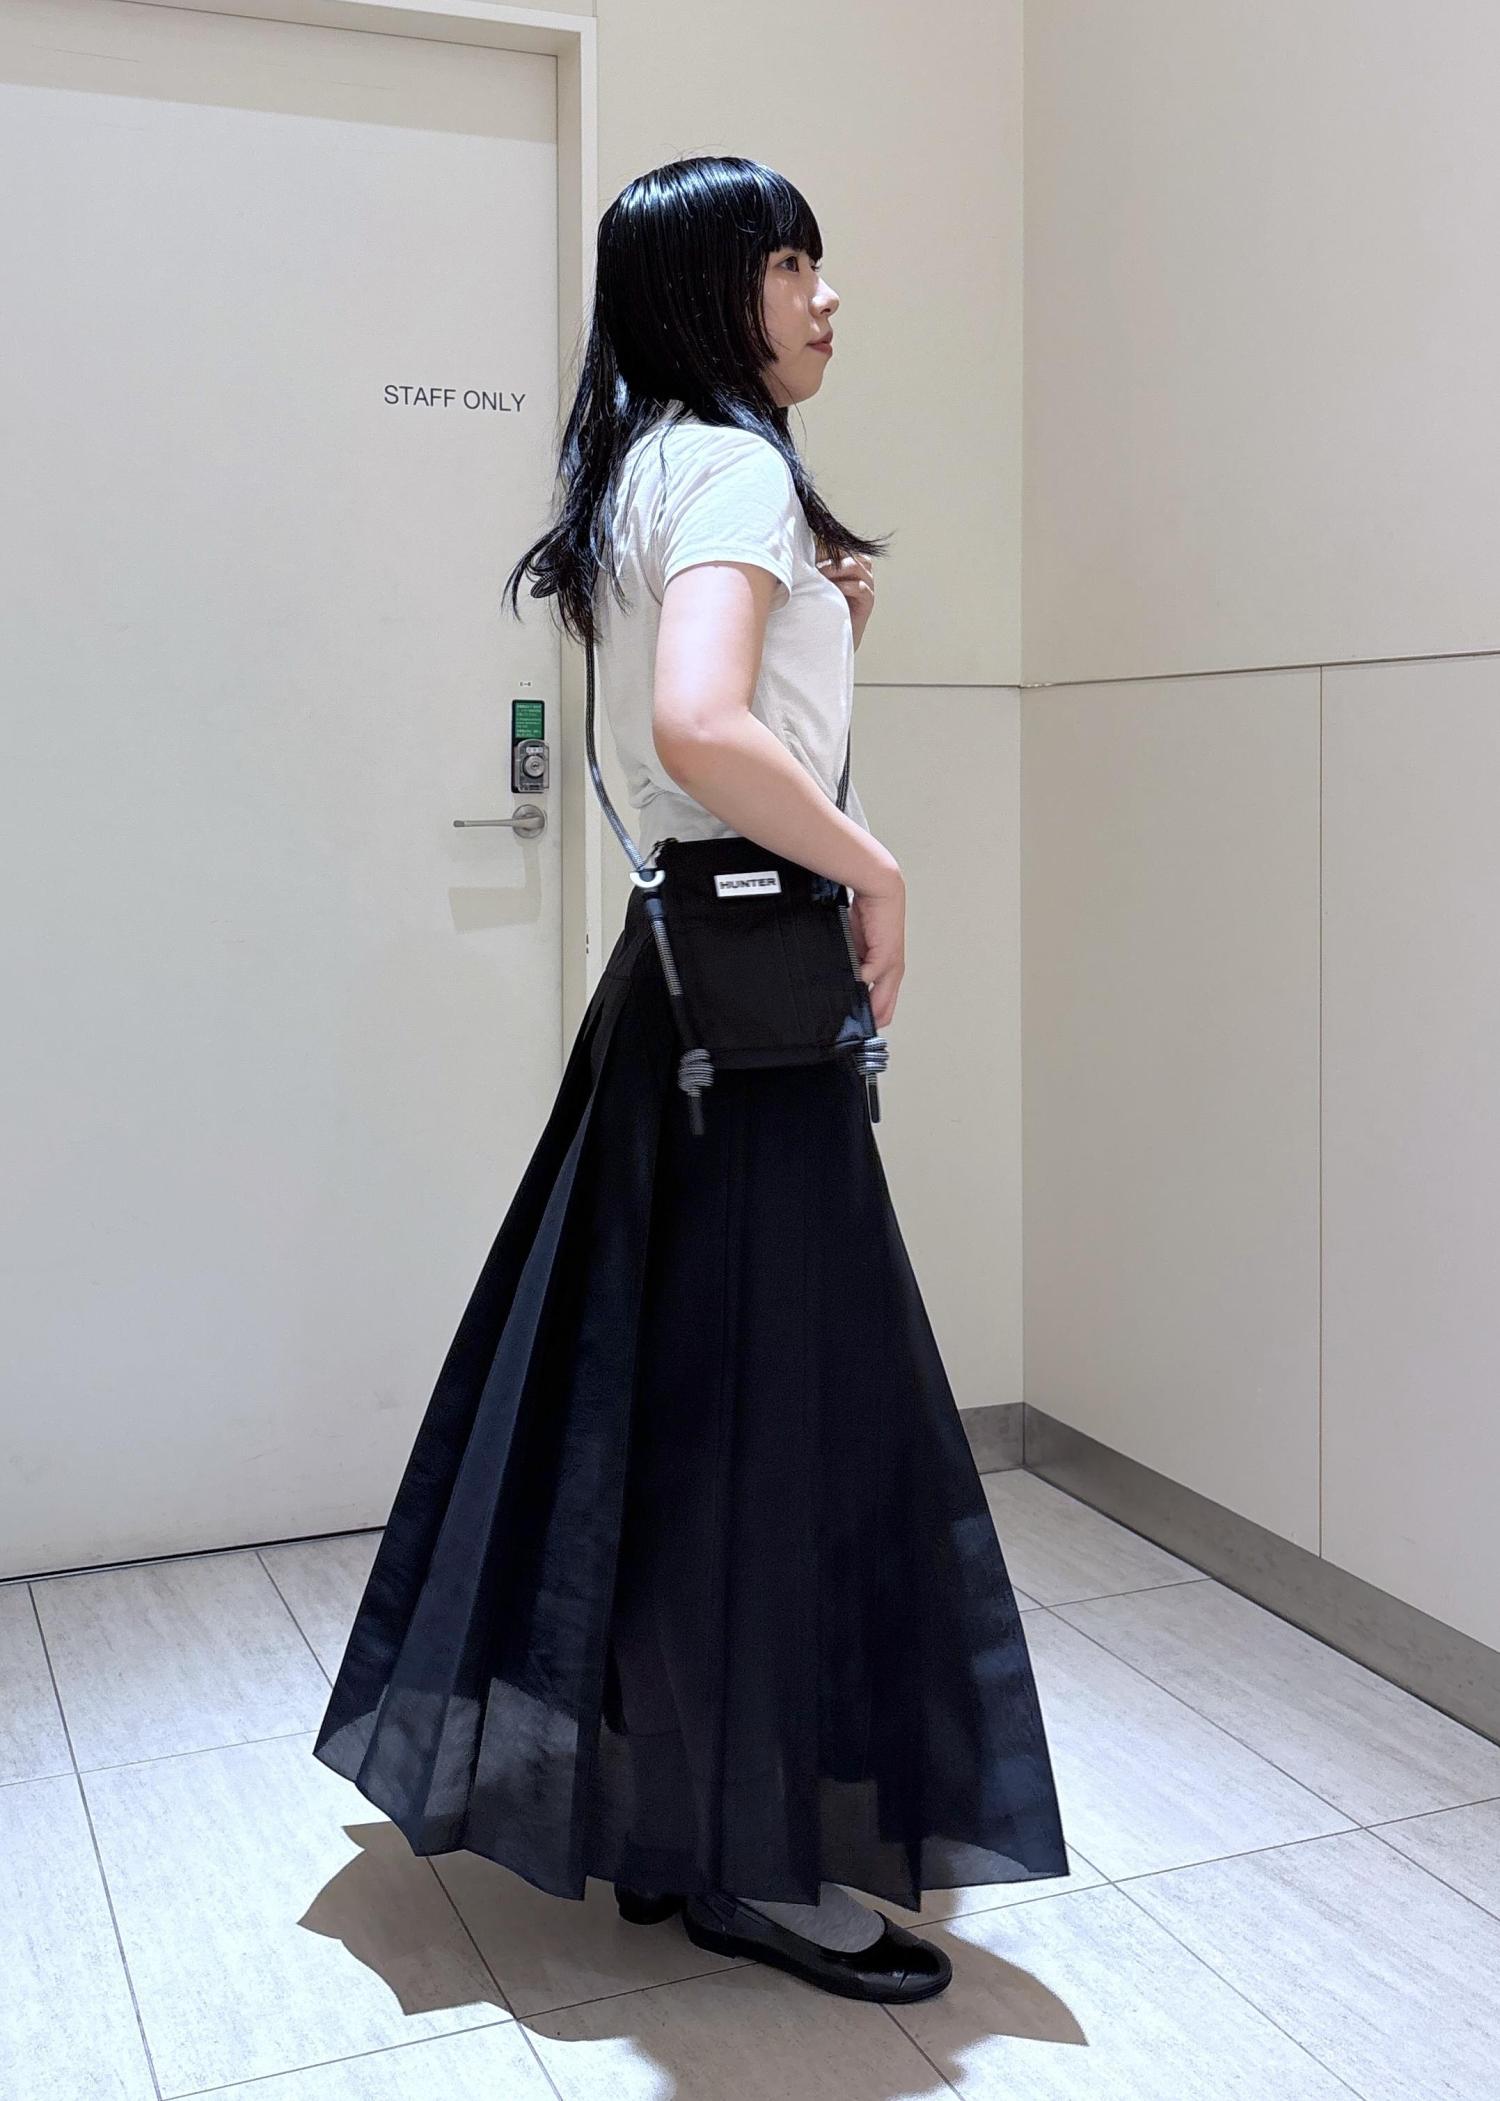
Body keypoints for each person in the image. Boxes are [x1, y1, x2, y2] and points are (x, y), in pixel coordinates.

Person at [313, 155, 1068, 2009]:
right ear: (714, 289)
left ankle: (676, 1817)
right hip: (757, 1008)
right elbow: (701, 724)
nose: (828, 297)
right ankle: (750, 1862)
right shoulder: (733, 467)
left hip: (677, 1001)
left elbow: (699, 728)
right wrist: (879, 868)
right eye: (794, 263)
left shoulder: (646, 468)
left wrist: (831, 640)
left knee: (674, 1412)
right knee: (781, 1422)